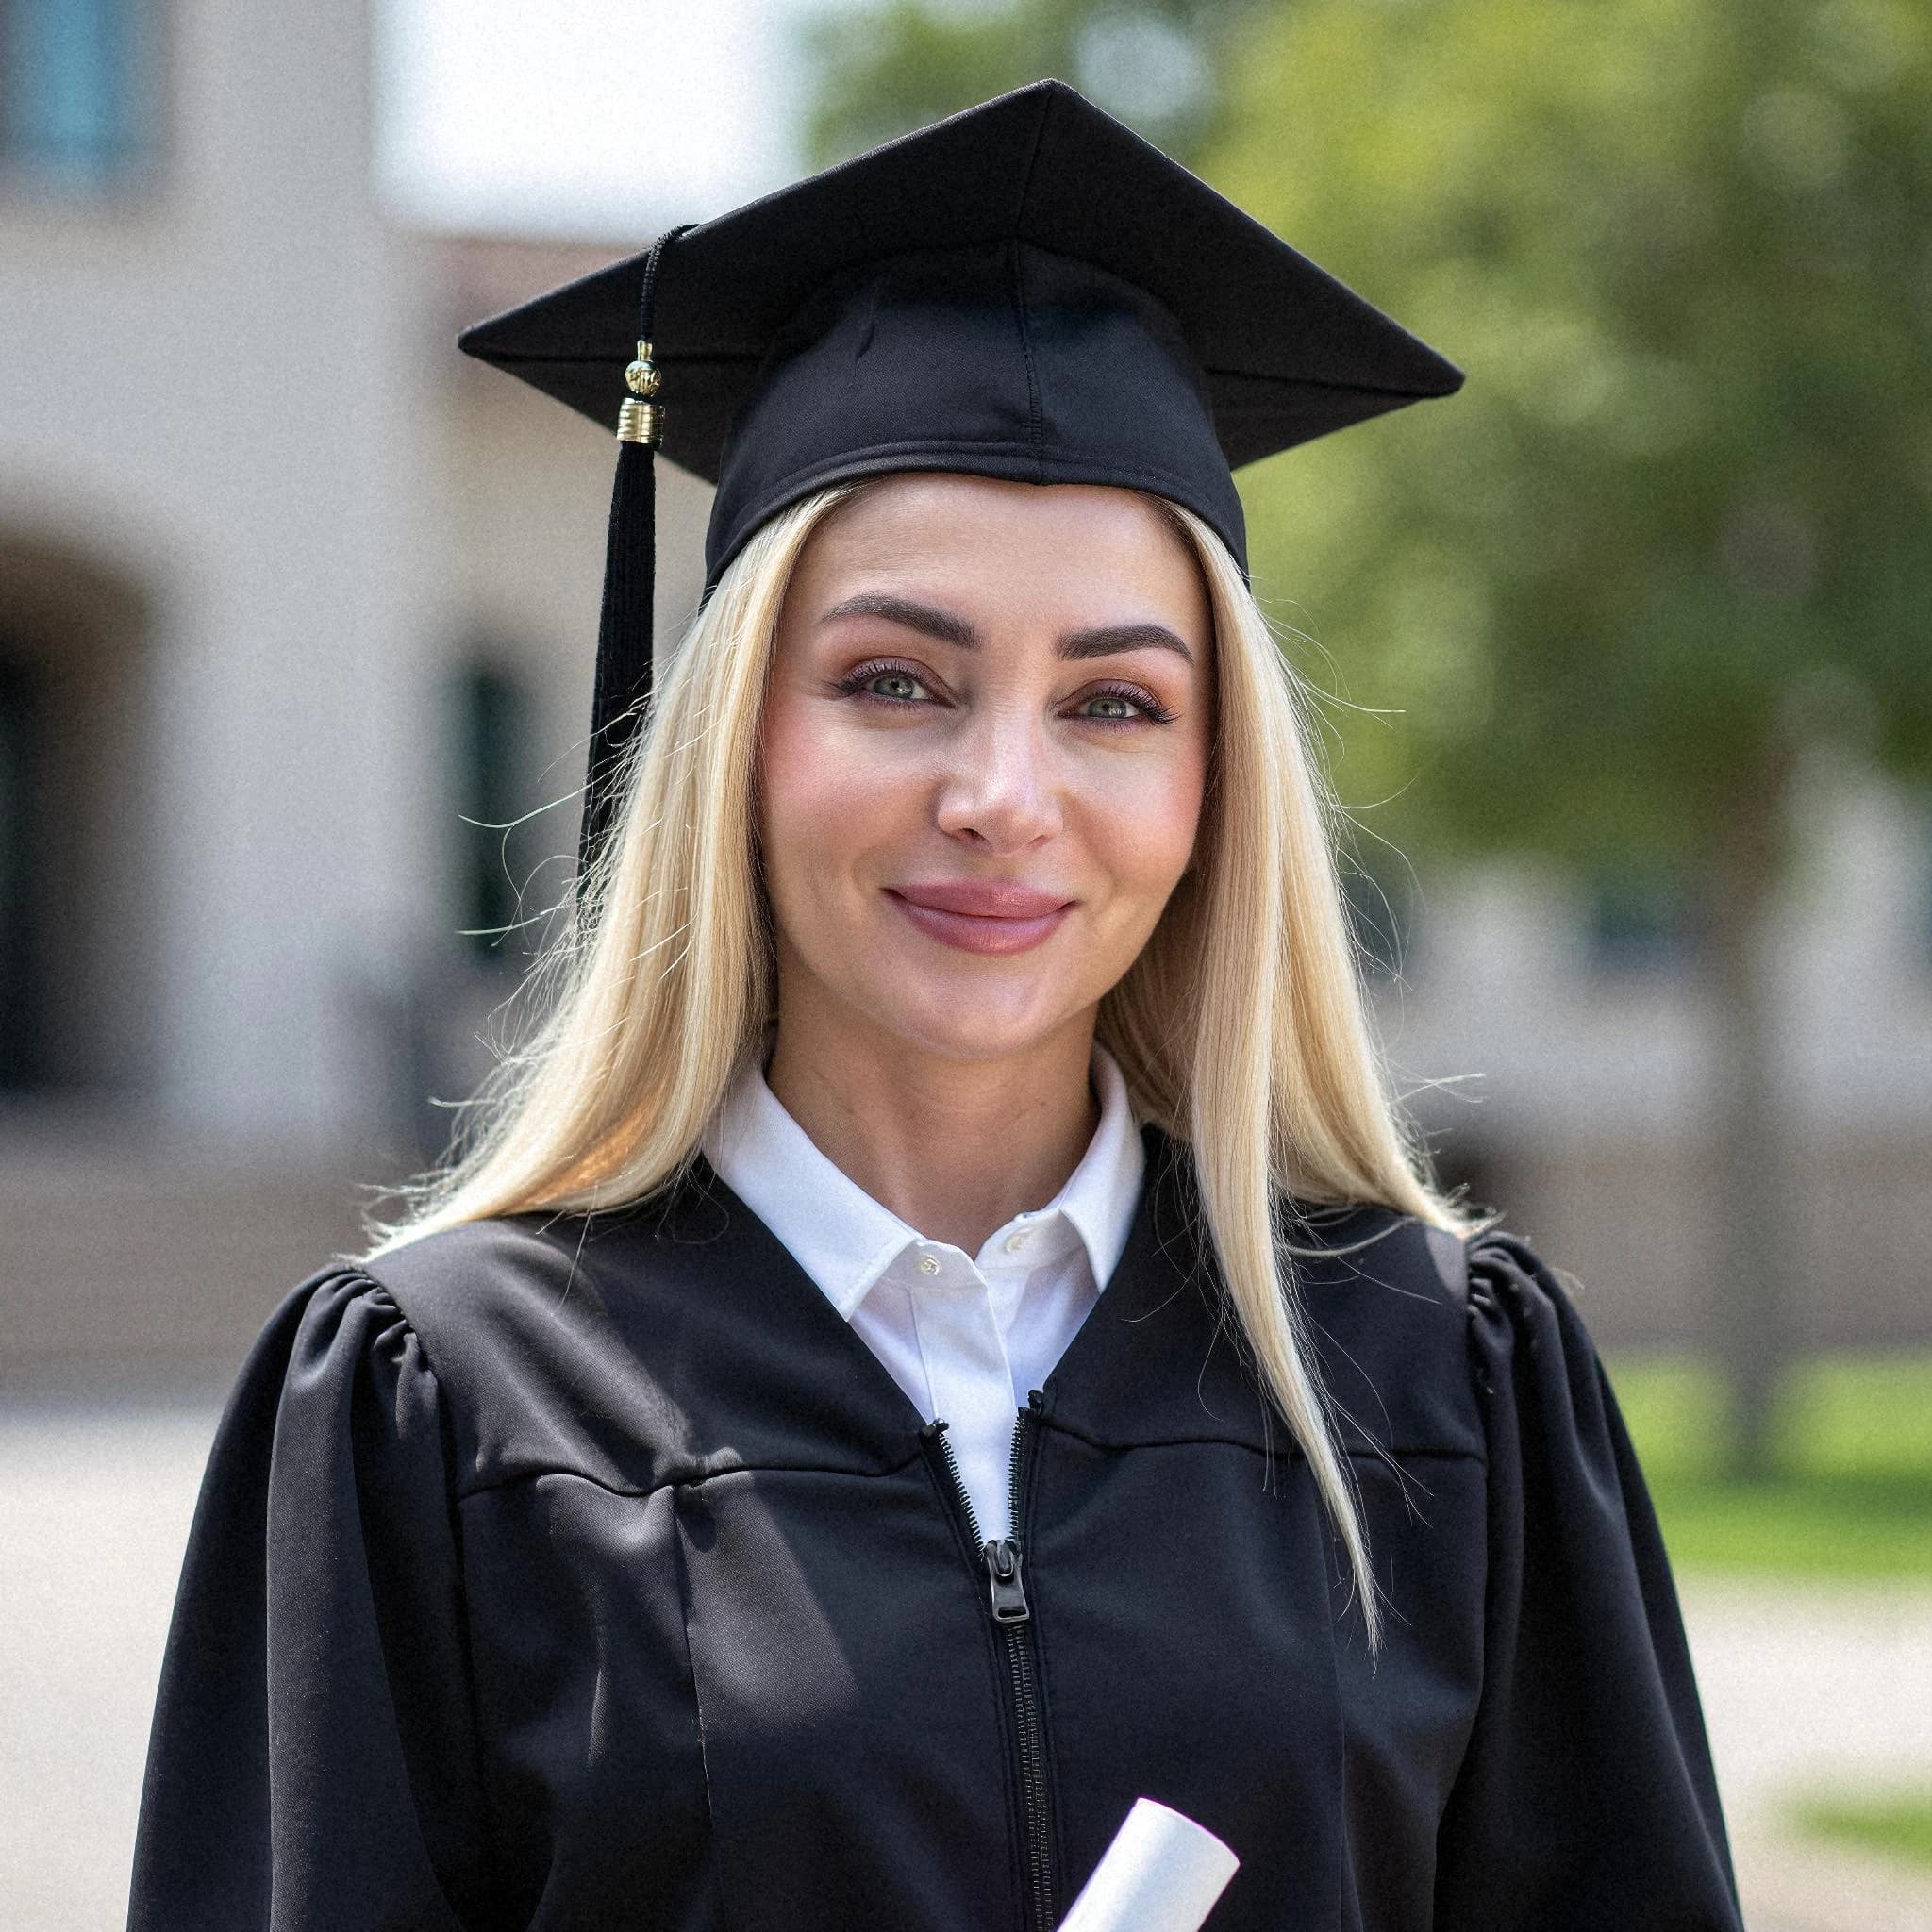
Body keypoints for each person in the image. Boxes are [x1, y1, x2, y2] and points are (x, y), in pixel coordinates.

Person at [128, 81, 1742, 1932]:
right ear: (740, 737)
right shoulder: (446, 1405)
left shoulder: (1435, 1376)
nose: (1001, 793)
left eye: (1115, 701)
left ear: (1216, 783)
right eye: (896, 679)